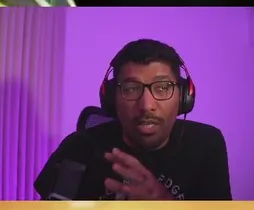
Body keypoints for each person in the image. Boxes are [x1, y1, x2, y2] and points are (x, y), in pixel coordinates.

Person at [33, 38, 231, 201]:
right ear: (112, 99)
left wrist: (164, 204)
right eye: (131, 89)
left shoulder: (206, 144)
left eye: (162, 88)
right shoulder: (79, 147)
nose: (146, 105)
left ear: (184, 96)